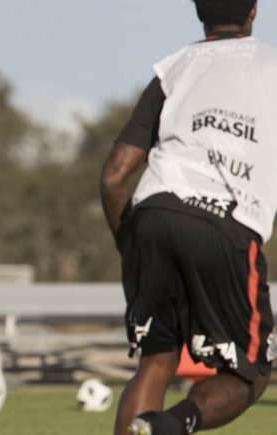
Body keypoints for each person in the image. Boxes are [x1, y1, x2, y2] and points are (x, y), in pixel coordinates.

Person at [100, 1, 277, 434]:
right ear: (254, 11)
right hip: (226, 222)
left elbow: (114, 176)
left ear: (199, 12)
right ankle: (172, 425)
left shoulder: (175, 67)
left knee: (156, 360)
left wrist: (131, 246)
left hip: (154, 212)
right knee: (249, 374)